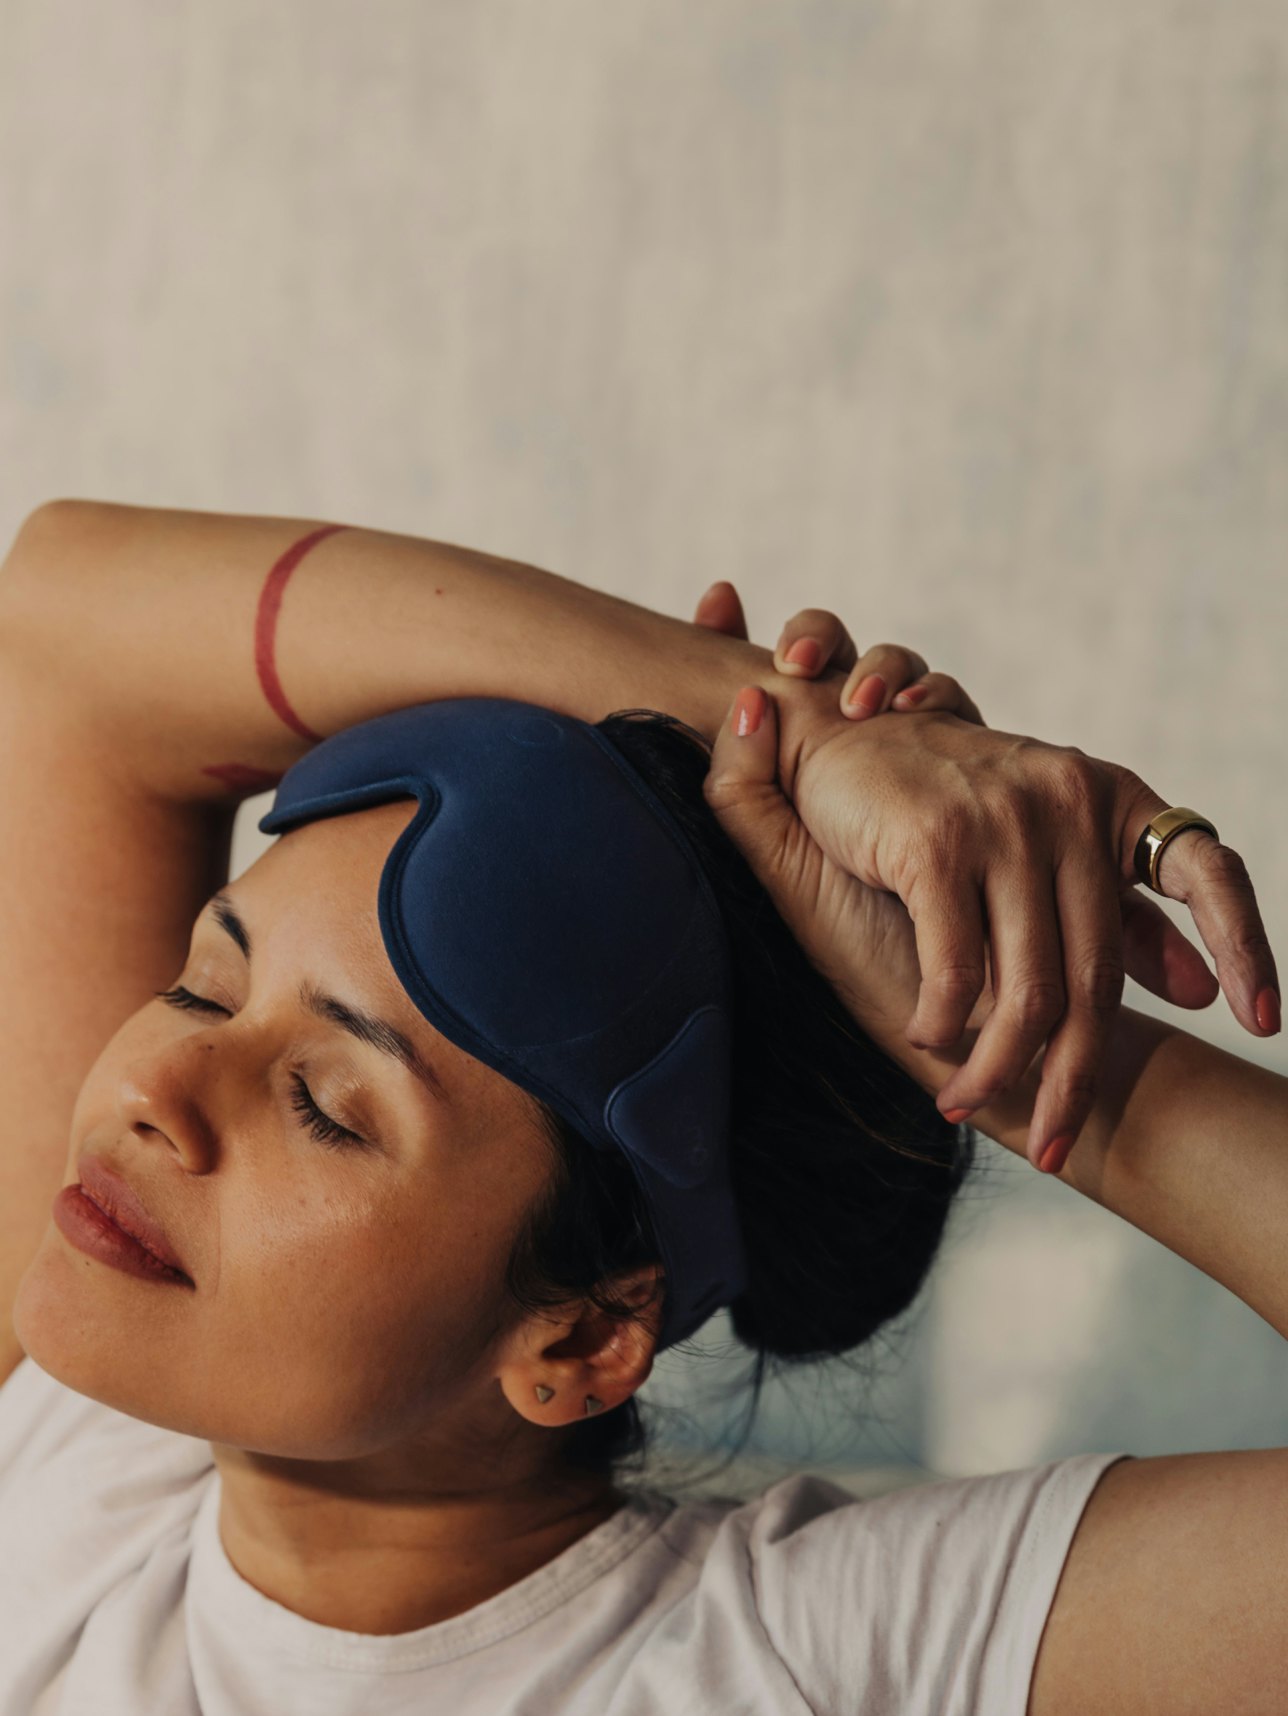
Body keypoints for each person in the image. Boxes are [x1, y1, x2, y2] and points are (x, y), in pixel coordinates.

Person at [0, 499, 1281, 1714]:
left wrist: (1022, 1049)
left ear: (583, 1337)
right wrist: (775, 728)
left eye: (327, 1105)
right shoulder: (74, 1470)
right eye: (204, 987)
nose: (149, 1089)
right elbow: (63, 621)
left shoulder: (811, 1656)